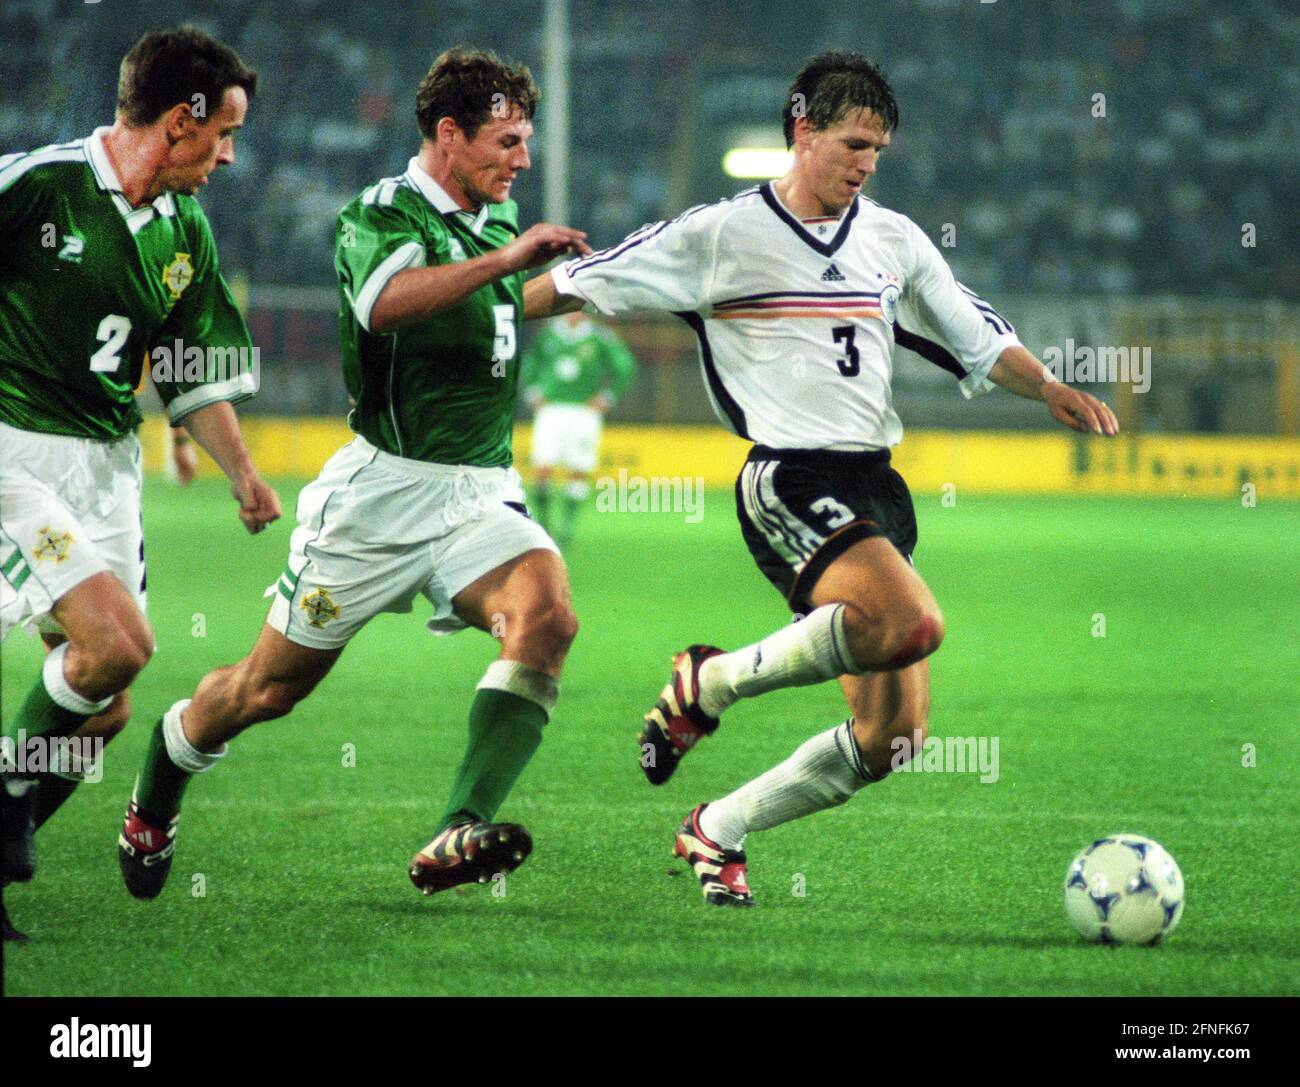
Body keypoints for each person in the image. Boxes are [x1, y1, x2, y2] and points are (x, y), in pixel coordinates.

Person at [524, 51, 1118, 907]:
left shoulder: (893, 238)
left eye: (878, 150)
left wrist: (1051, 387)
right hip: (787, 477)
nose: (866, 164)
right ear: (801, 132)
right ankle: (711, 682)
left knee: (893, 739)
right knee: (911, 620)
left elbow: (975, 334)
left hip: (876, 485)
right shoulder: (721, 234)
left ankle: (716, 828)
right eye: (852, 144)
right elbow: (586, 280)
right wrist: (477, 311)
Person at [116, 47, 591, 901]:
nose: (524, 160)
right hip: (378, 499)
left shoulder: (487, 227)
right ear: (449, 135)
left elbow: (507, 299)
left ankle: (458, 827)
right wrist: (509, 259)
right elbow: (387, 303)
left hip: (478, 492)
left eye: (527, 142)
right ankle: (165, 768)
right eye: (509, 141)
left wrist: (603, 280)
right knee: (266, 691)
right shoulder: (383, 212)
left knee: (548, 615)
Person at [0, 26, 281, 940]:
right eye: (225, 133)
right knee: (117, 645)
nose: (231, 156)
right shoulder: (39, 186)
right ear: (178, 120)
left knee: (106, 706)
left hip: (107, 466)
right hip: (15, 454)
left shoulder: (184, 230)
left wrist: (242, 472)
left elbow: (193, 369)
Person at [521, 311, 637, 544]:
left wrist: (607, 397)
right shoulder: (549, 333)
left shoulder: (600, 337)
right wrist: (532, 390)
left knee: (578, 468)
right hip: (551, 409)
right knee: (542, 467)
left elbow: (625, 366)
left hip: (584, 412)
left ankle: (567, 526)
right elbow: (529, 362)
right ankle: (544, 521)